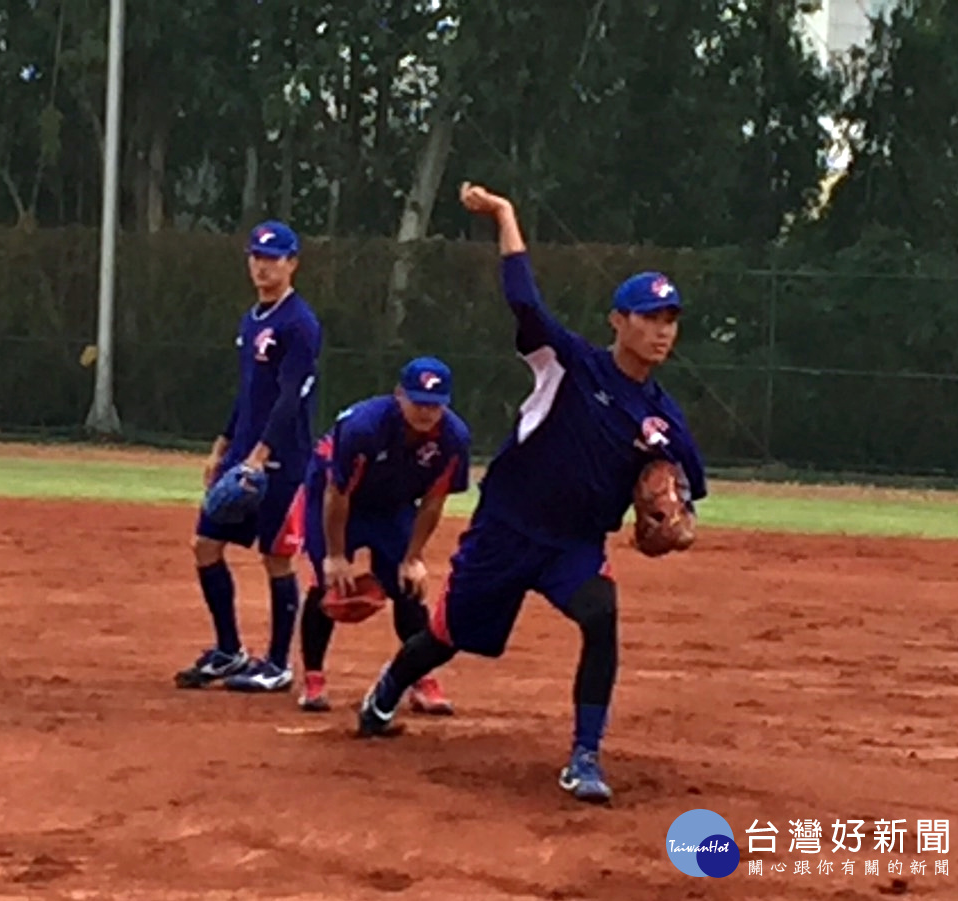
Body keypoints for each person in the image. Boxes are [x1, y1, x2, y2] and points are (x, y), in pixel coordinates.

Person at [353, 183, 707, 803]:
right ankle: (388, 688)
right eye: (649, 317)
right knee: (451, 635)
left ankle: (585, 757)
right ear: (617, 322)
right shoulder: (568, 362)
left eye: (670, 320)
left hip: (573, 544)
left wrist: (676, 525)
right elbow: (522, 297)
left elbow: (686, 495)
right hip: (507, 529)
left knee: (601, 617)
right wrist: (505, 215)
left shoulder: (664, 420)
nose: (661, 330)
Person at [176, 221, 323, 694]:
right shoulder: (252, 319)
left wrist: (261, 455)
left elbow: (289, 398)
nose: (263, 266)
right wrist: (224, 445)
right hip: (243, 451)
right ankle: (229, 651)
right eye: (257, 257)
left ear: (292, 263)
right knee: (205, 545)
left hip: (283, 458)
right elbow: (249, 392)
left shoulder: (299, 324)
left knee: (276, 558)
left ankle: (278, 664)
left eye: (274, 258)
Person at [296, 356, 471, 714]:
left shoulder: (453, 438)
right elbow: (337, 493)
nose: (426, 412)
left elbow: (433, 501)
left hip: (393, 501)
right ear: (399, 395)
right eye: (419, 401)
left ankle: (421, 679)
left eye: (435, 405)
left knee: (408, 587)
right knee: (327, 584)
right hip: (334, 495)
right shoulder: (365, 428)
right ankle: (314, 678)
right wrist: (336, 555)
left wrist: (413, 557)